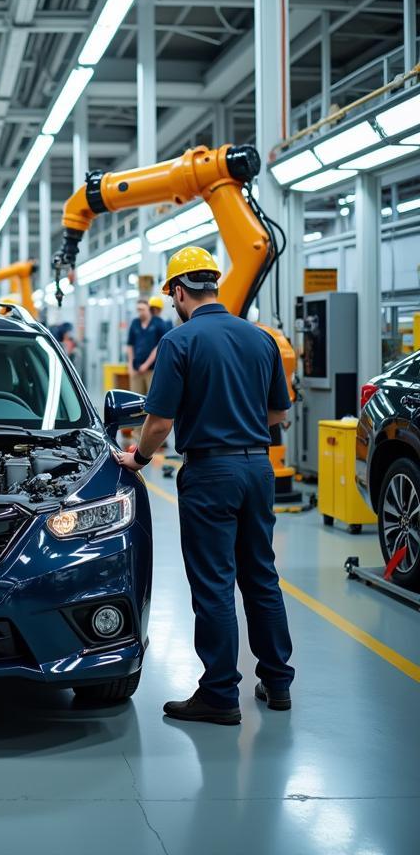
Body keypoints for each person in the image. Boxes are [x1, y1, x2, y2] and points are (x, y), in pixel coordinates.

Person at [115, 245, 294, 726]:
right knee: (260, 575)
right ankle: (277, 682)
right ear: (212, 284)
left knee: (214, 583)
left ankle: (219, 694)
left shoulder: (181, 341)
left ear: (177, 290)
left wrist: (139, 458)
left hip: (210, 472)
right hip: (258, 469)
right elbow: (279, 413)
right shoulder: (261, 340)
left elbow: (158, 423)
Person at [126, 298, 165, 396]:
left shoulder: (158, 323)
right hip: (136, 369)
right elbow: (130, 345)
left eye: (142, 309)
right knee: (134, 399)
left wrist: (146, 365)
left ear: (149, 309)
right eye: (138, 309)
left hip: (152, 370)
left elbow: (159, 346)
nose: (140, 312)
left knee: (151, 398)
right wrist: (130, 366)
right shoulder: (135, 323)